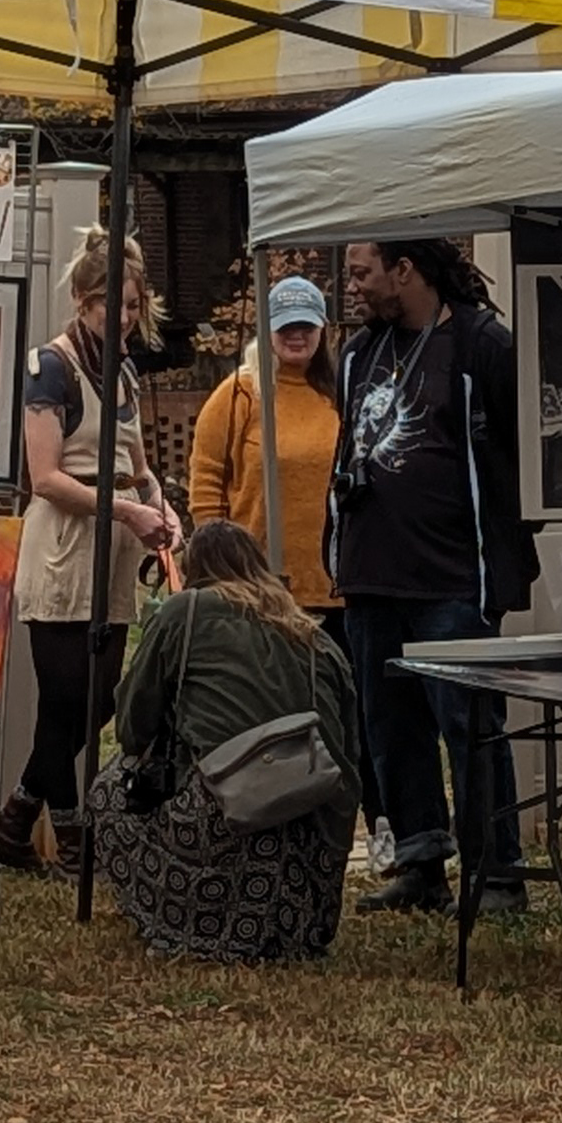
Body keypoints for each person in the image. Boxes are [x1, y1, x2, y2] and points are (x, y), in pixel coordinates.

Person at [328, 238, 535, 915]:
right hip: (371, 575)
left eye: (362, 272)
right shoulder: (358, 353)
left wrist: (504, 550)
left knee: (469, 725)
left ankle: (496, 870)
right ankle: (420, 863)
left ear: (404, 270)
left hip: (453, 575)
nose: (353, 287)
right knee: (388, 729)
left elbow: (520, 454)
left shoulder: (482, 346)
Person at [89, 520, 360, 963]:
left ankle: (182, 923)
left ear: (195, 568)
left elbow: (132, 727)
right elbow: (348, 749)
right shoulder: (317, 636)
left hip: (226, 821)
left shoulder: (186, 612)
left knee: (110, 790)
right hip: (309, 850)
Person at [0, 228, 180, 872]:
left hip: (115, 546)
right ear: (80, 300)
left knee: (101, 697)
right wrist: (127, 507)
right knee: (66, 696)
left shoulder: (123, 371)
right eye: (111, 305)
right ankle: (64, 832)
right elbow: (44, 476)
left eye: (132, 305)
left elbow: (139, 463)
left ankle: (18, 818)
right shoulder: (50, 367)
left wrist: (160, 507)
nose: (123, 318)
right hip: (65, 546)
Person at [187, 273, 367, 844]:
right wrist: (219, 569)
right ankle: (261, 820)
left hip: (334, 582)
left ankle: (341, 820)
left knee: (338, 712)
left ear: (323, 330)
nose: (295, 335)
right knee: (267, 713)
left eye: (305, 325)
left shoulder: (341, 393)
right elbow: (206, 483)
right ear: (267, 330)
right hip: (259, 585)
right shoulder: (239, 395)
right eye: (284, 325)